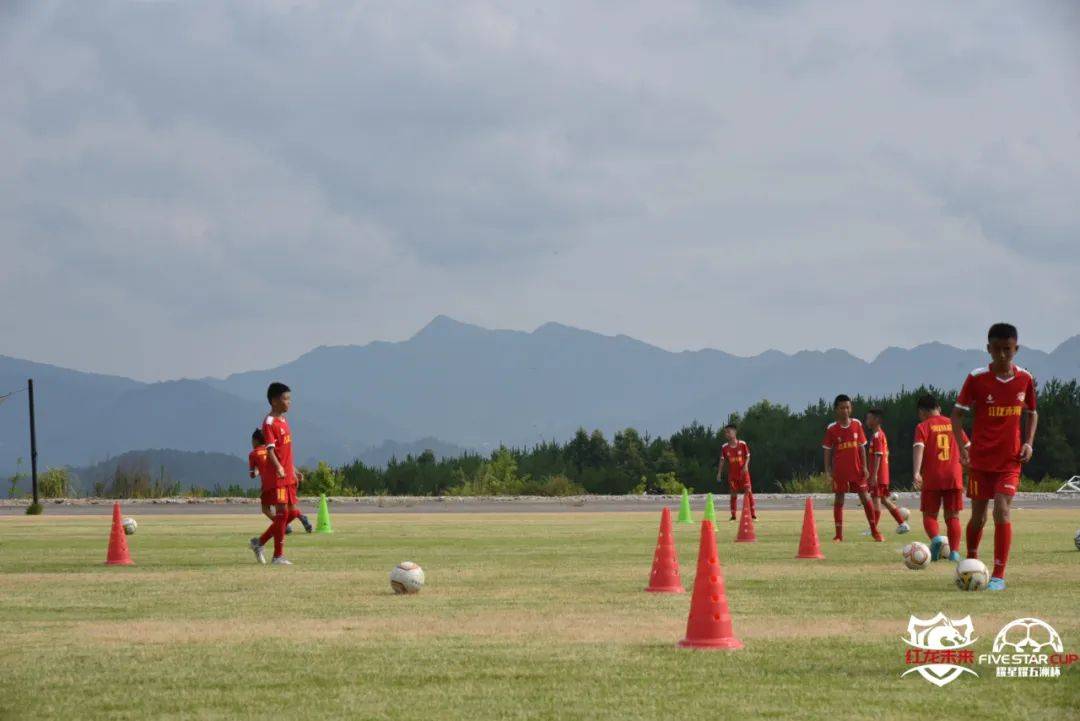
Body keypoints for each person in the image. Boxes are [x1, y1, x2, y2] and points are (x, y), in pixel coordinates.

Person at [952, 323, 1037, 591]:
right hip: (980, 460)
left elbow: (1032, 412)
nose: (1002, 356)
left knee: (1002, 509)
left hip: (1010, 461)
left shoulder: (1025, 378)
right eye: (997, 350)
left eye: (1008, 350)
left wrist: (1029, 443)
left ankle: (999, 575)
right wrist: (963, 445)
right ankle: (972, 562)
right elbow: (956, 415)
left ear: (1016, 349)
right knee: (978, 517)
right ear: (988, 349)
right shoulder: (976, 378)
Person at [249, 382, 307, 565]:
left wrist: (294, 470)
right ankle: (278, 556)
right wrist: (280, 468)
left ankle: (259, 542)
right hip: (278, 476)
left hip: (288, 475)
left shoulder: (284, 420)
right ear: (274, 401)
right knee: (282, 514)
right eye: (285, 399)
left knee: (292, 512)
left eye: (290, 398)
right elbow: (271, 450)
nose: (289, 402)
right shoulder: (269, 422)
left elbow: (285, 452)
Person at [912, 394, 968, 562]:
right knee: (953, 516)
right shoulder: (953, 424)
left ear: (922, 412)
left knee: (929, 515)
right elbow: (967, 447)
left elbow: (918, 448)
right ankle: (955, 553)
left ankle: (936, 539)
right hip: (953, 475)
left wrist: (916, 472)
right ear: (939, 408)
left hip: (933, 476)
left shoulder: (922, 426)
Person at [823, 394, 881, 541]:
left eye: (847, 407)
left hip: (857, 470)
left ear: (851, 408)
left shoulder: (856, 424)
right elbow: (827, 451)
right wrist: (828, 471)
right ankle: (838, 535)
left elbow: (862, 447)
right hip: (840, 471)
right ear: (836, 409)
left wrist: (865, 467)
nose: (845, 410)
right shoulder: (831, 428)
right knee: (839, 499)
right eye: (842, 408)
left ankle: (875, 531)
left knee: (865, 497)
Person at [865, 409, 908, 534]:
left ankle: (873, 529)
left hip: (878, 475)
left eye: (869, 418)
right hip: (882, 475)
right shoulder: (878, 435)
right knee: (883, 500)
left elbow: (878, 456)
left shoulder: (878, 435)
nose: (867, 421)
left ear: (876, 420)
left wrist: (873, 476)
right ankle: (902, 524)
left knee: (876, 502)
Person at [718, 424, 756, 521]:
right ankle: (733, 515)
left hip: (743, 473)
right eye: (725, 432)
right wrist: (719, 473)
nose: (726, 434)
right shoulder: (724, 447)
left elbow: (748, 456)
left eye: (728, 432)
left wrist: (746, 465)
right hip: (733, 475)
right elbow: (722, 460)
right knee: (733, 494)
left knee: (748, 492)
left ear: (734, 433)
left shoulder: (742, 444)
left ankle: (753, 514)